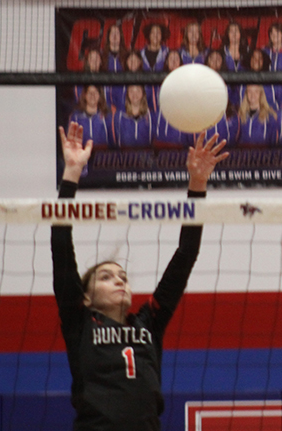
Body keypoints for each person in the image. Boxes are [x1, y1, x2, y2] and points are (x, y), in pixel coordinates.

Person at [53, 122, 228, 431]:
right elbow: (61, 250)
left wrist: (197, 185)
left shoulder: (149, 321)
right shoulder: (79, 322)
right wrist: (71, 175)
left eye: (122, 276)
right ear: (86, 296)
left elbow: (185, 255)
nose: (119, 280)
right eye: (106, 277)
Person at [69, 85, 111, 150]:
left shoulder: (107, 117)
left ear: (99, 96)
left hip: (101, 157)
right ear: (85, 95)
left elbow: (113, 143)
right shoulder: (76, 117)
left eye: (95, 92)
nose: (92, 95)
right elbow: (70, 141)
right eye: (89, 92)